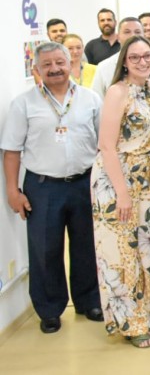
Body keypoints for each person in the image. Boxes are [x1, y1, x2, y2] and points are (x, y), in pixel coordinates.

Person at [2, 42, 104, 334]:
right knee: (45, 250)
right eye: (47, 65)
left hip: (85, 182)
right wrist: (13, 190)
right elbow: (11, 151)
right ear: (36, 70)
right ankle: (49, 309)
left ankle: (89, 301)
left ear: (71, 63)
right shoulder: (24, 103)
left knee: (87, 245)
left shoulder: (90, 98)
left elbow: (104, 144)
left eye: (60, 62)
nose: (55, 69)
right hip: (42, 187)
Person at [91, 36, 150, 348]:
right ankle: (129, 324)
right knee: (121, 253)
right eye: (135, 57)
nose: (142, 61)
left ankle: (143, 317)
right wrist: (122, 193)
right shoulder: (117, 91)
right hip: (116, 179)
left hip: (144, 179)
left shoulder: (148, 90)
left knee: (144, 251)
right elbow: (106, 145)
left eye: (146, 55)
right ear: (124, 61)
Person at [90, 17, 150, 98]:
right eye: (127, 32)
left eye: (137, 32)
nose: (133, 36)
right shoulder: (104, 67)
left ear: (143, 36)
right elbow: (97, 102)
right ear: (117, 37)